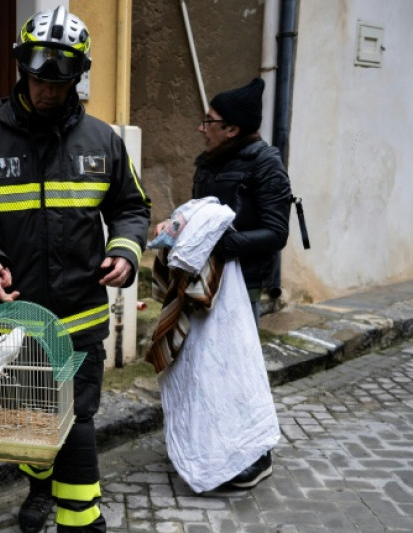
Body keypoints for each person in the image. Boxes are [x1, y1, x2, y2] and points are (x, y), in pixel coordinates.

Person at [0, 7, 152, 532]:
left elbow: (132, 207)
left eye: (61, 81)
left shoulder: (103, 142)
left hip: (78, 321)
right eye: (39, 79)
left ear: (78, 76)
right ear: (21, 71)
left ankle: (82, 518)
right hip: (15, 326)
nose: (49, 91)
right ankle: (38, 488)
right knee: (31, 421)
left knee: (78, 422)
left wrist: (125, 250)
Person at [181, 77, 291, 488]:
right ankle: (220, 446)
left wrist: (223, 245)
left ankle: (258, 455)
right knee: (209, 368)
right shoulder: (208, 160)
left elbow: (276, 232)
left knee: (239, 368)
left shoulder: (265, 163)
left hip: (242, 283)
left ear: (232, 128)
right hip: (206, 280)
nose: (202, 127)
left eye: (208, 121)